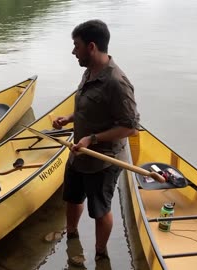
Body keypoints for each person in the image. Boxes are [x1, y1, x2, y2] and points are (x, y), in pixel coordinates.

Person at [52, 19, 140, 262]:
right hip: (78, 152)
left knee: (100, 210)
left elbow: (130, 128)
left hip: (103, 160)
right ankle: (72, 235)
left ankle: (100, 253)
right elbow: (87, 106)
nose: (73, 51)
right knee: (72, 197)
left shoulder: (117, 83)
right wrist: (68, 118)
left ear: (91, 46)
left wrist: (92, 138)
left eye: (76, 46)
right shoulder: (89, 70)